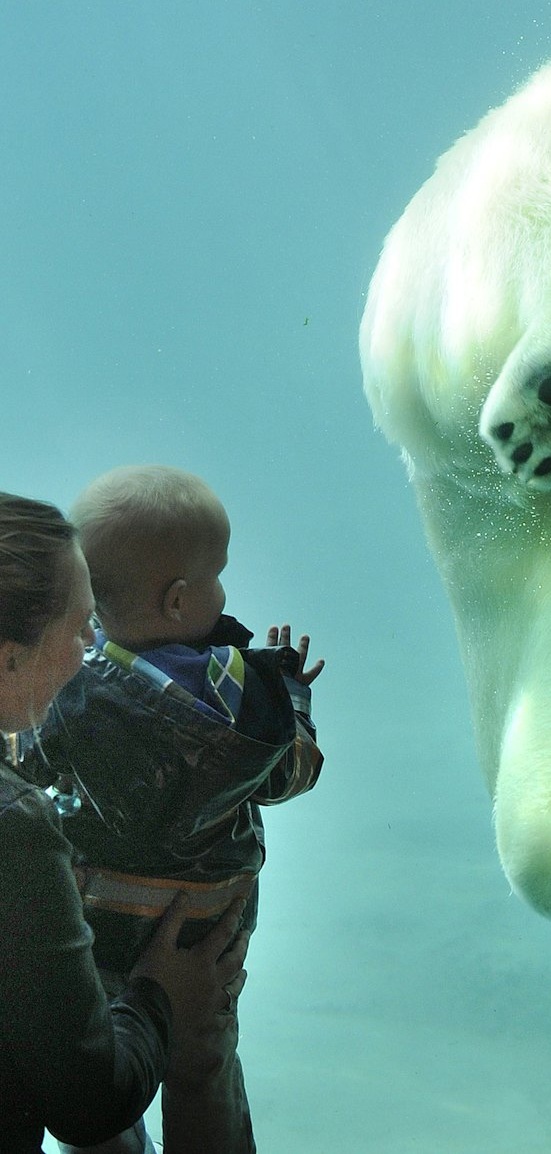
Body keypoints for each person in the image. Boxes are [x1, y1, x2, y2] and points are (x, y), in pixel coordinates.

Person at [12, 466, 325, 1154]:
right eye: (218, 571)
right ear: (180, 601)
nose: (224, 587)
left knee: (102, 1061)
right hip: (206, 931)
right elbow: (287, 776)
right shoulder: (239, 690)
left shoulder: (66, 679)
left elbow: (29, 767)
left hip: (94, 922)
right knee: (203, 1063)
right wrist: (295, 704)